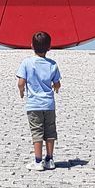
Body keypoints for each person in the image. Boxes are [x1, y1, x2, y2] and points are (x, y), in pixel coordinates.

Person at [16, 30, 61, 171]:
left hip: (33, 105)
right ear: (49, 47)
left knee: (37, 132)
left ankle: (37, 161)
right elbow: (57, 83)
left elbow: (21, 82)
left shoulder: (26, 63)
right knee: (50, 132)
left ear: (31, 46)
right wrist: (56, 88)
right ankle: (50, 159)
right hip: (49, 104)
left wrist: (22, 91)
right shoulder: (52, 64)